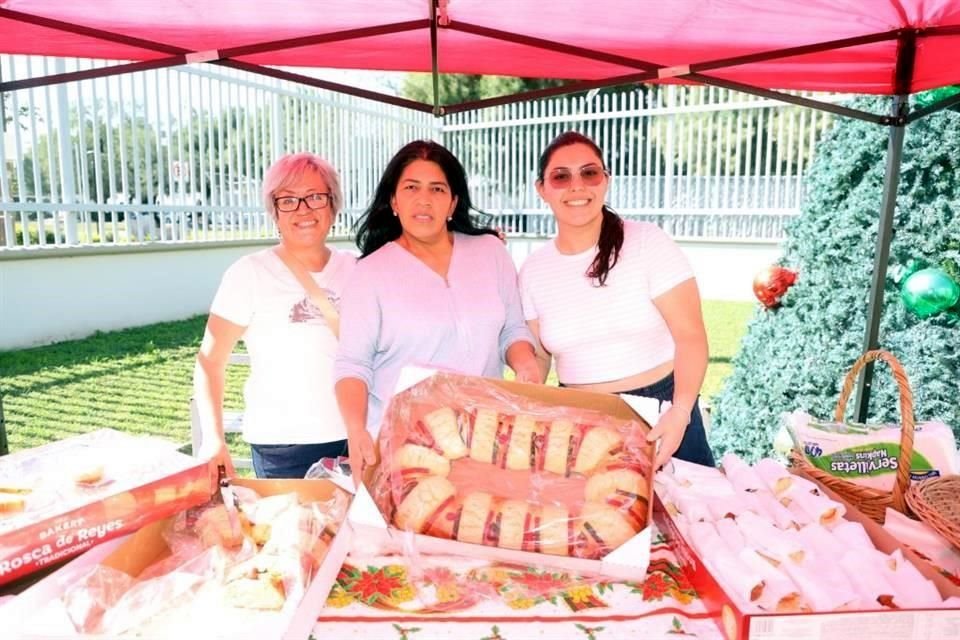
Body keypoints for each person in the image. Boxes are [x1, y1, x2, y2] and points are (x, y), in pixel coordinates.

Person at [334, 140, 540, 480]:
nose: (424, 199)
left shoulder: (490, 252)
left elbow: (512, 329)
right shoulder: (369, 273)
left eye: (437, 188)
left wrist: (526, 363)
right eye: (411, 187)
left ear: (453, 201)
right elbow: (352, 364)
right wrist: (356, 430)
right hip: (405, 448)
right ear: (394, 200)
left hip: (485, 440)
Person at [519, 131, 714, 469]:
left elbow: (690, 336)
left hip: (662, 412)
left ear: (605, 180)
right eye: (561, 177)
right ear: (542, 189)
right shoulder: (533, 269)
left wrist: (681, 410)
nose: (576, 186)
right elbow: (539, 357)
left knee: (688, 520)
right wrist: (526, 383)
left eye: (589, 173)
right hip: (581, 423)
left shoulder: (647, 243)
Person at [194, 152, 353, 483]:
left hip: (357, 437)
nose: (303, 209)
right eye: (289, 200)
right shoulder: (249, 273)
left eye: (315, 197)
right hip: (283, 447)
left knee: (356, 534)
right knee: (291, 535)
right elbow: (210, 362)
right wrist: (213, 439)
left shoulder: (359, 269)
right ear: (274, 211)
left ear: (333, 205)